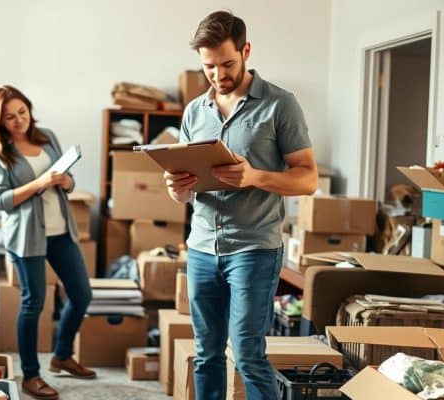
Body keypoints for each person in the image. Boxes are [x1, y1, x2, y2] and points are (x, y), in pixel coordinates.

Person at [164, 11, 319, 400]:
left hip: (254, 248)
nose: (218, 75)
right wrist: (176, 187)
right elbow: (184, 193)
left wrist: (255, 177)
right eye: (208, 67)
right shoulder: (194, 111)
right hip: (201, 247)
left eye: (227, 63)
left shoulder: (280, 105)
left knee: (248, 354)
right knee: (206, 354)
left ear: (246, 50)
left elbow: (308, 178)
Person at [0, 85, 95, 400]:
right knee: (34, 303)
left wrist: (67, 181)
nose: (19, 121)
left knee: (82, 294)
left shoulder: (47, 136)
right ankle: (31, 375)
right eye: (10, 117)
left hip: (61, 229)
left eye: (22, 112)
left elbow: (67, 181)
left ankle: (61, 355)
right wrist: (41, 182)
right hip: (26, 236)